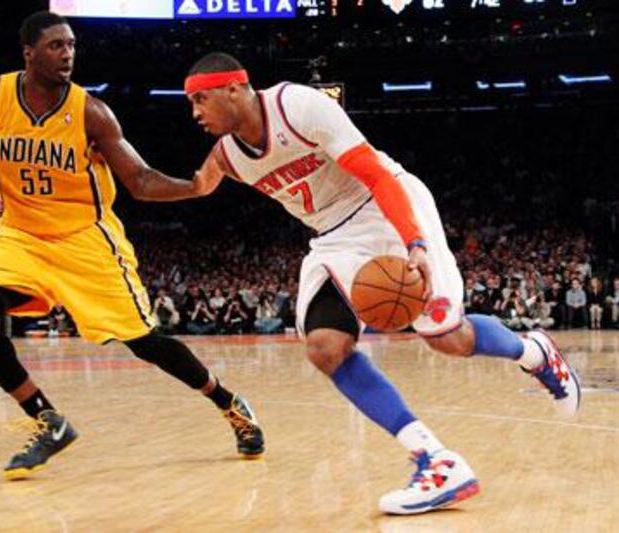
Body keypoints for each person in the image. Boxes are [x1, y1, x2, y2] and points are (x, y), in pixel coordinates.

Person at [178, 52, 581, 515]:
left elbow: (372, 172)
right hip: (333, 237)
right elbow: (192, 186)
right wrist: (115, 168)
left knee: (448, 338)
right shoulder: (226, 155)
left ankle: (534, 352)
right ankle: (435, 459)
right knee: (326, 347)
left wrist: (415, 243)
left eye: (201, 99)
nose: (195, 113)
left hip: (385, 204)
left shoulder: (298, 106)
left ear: (234, 88)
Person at [0, 12, 263, 481]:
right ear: (29, 53)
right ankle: (47, 421)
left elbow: (138, 181)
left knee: (145, 343)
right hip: (21, 235)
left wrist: (195, 187)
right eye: (56, 45)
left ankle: (229, 403)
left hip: (85, 241)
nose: (68, 54)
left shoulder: (91, 113)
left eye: (72, 45)